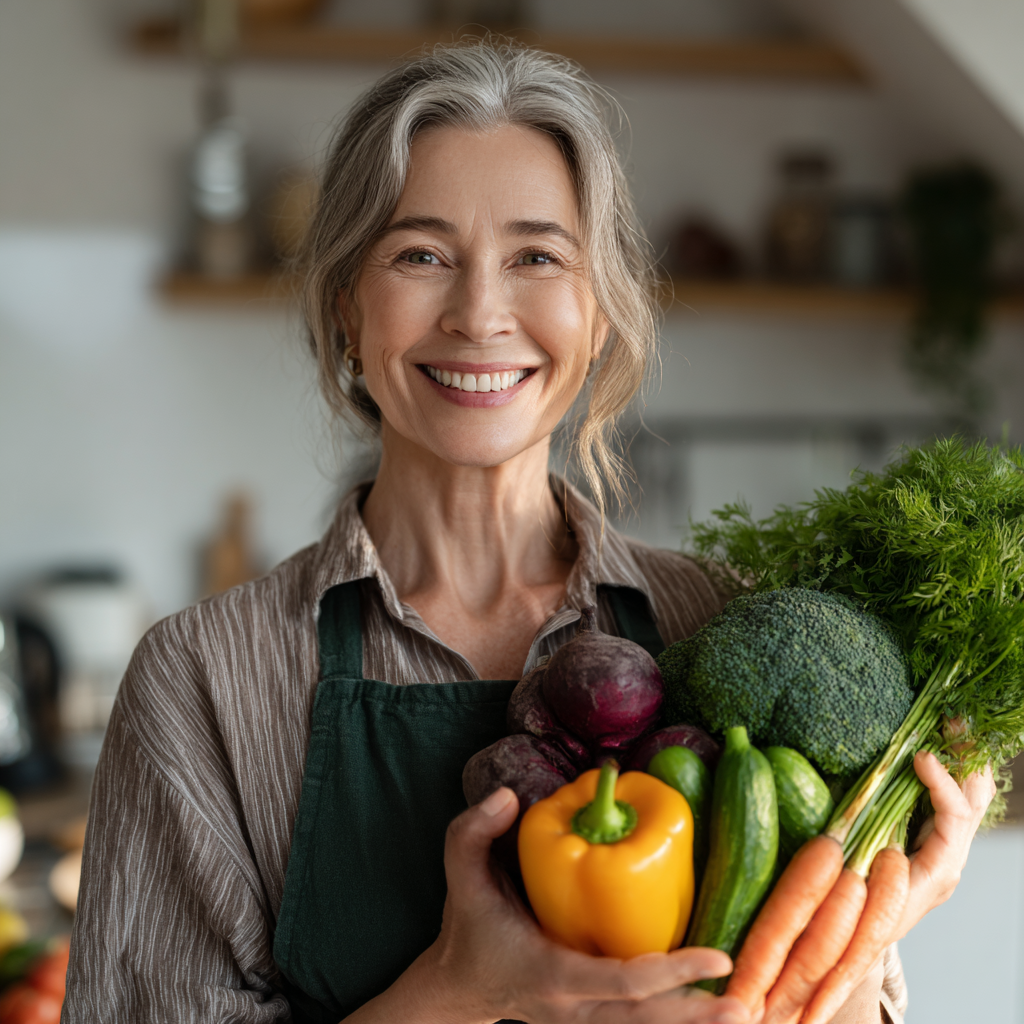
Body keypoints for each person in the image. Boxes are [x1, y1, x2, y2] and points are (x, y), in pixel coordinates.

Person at [64, 40, 994, 1024]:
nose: (479, 313)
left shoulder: (723, 624)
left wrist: (883, 912)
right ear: (346, 305)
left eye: (536, 257)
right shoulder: (206, 678)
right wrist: (456, 992)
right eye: (420, 255)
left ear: (596, 313)